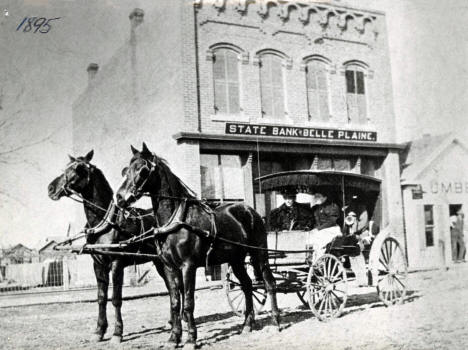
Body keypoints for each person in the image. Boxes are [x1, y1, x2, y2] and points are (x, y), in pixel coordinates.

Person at [306, 190, 342, 262]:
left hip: (331, 229)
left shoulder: (332, 206)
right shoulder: (316, 207)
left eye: (319, 196)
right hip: (319, 229)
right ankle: (310, 257)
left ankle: (319, 259)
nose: (316, 198)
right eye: (316, 196)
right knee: (307, 237)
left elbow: (332, 221)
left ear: (325, 197)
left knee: (319, 239)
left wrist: (318, 229)